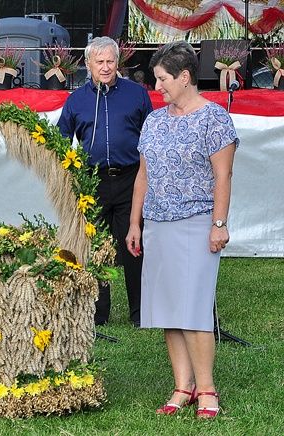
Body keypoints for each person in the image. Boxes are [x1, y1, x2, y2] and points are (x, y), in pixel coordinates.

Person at [125, 41, 238, 419]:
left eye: (162, 79)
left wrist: (218, 224)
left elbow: (223, 175)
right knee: (168, 311)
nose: (157, 87)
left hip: (196, 223)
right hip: (156, 223)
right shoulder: (155, 120)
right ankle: (182, 386)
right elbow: (144, 174)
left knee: (193, 308)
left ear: (185, 77)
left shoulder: (214, 119)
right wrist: (135, 223)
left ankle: (207, 389)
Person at [57, 36, 153, 327]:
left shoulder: (136, 94)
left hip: (130, 180)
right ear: (88, 65)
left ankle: (140, 314)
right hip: (93, 183)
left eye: (110, 61)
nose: (106, 67)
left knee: (133, 246)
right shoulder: (76, 100)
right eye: (99, 61)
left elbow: (151, 136)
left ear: (118, 62)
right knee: (97, 248)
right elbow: (61, 140)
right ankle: (99, 314)